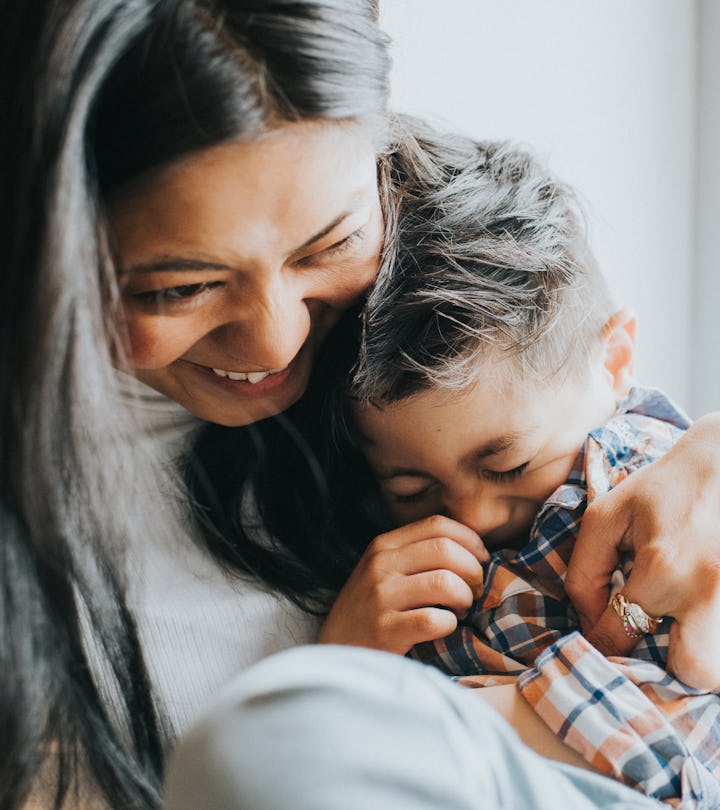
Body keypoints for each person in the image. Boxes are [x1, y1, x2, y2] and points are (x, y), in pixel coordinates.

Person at [3, 1, 720, 808]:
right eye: (180, 288)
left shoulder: (426, 328)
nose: (276, 347)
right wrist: (349, 682)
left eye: (331, 244)